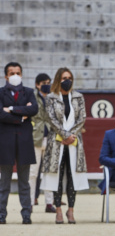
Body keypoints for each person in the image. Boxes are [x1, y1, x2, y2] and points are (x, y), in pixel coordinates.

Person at [41, 67, 89, 224]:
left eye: (69, 78)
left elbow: (82, 118)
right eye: (63, 78)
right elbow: (51, 119)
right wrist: (65, 135)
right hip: (57, 142)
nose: (66, 81)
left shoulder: (78, 97)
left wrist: (71, 135)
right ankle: (59, 211)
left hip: (74, 142)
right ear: (57, 80)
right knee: (57, 176)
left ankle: (71, 210)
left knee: (72, 176)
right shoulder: (51, 98)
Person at [0, 62, 38, 225]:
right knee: (4, 183)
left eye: (17, 72)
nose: (15, 75)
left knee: (24, 182)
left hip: (24, 142)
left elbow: (34, 110)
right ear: (6, 76)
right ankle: (1, 214)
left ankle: (26, 214)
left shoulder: (29, 92)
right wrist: (22, 115)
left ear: (21, 74)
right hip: (5, 142)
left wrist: (12, 109)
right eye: (11, 72)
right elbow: (0, 115)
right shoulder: (0, 93)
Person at [29, 73, 56, 213]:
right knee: (33, 172)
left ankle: (49, 203)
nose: (47, 85)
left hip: (50, 137)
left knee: (49, 172)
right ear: (37, 84)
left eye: (49, 82)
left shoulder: (53, 98)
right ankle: (30, 203)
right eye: (44, 82)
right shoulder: (31, 97)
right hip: (35, 137)